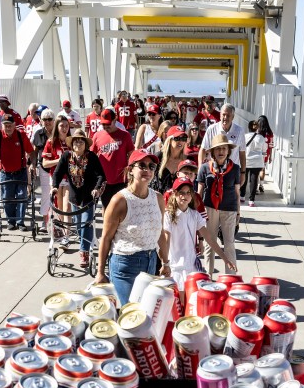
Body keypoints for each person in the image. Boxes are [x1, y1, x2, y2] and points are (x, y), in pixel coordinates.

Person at [95, 150, 170, 304]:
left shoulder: (158, 198)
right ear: (130, 170)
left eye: (151, 166)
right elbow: (106, 238)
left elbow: (160, 233)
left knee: (145, 315)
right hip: (125, 264)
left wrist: (165, 262)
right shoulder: (119, 200)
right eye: (142, 165)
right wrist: (100, 272)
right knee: (129, 316)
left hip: (151, 262)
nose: (147, 170)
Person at [163, 178, 234, 287]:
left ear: (192, 195)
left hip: (191, 265)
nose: (184, 196)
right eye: (181, 193)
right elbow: (166, 241)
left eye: (188, 193)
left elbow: (210, 239)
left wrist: (225, 259)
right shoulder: (168, 215)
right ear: (174, 193)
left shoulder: (195, 215)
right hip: (174, 266)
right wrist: (165, 263)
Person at [53, 129, 105, 269]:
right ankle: (84, 246)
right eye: (75, 141)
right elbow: (57, 173)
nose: (78, 143)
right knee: (78, 226)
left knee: (86, 224)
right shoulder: (66, 156)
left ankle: (84, 252)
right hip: (74, 198)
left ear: (85, 144)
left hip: (89, 197)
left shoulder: (92, 157)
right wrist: (55, 186)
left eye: (81, 141)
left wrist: (96, 188)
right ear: (72, 144)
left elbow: (101, 175)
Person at [197, 134, 242, 275]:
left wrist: (239, 212)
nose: (221, 151)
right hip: (210, 208)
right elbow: (199, 191)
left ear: (228, 151)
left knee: (229, 243)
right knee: (210, 243)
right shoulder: (204, 168)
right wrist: (198, 212)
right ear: (212, 152)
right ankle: (208, 277)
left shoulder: (235, 168)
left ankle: (231, 277)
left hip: (229, 209)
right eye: (218, 149)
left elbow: (237, 192)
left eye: (224, 148)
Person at [0, 116, 34, 231]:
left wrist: (32, 164)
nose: (8, 128)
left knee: (22, 197)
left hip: (20, 171)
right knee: (6, 198)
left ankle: (20, 222)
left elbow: (31, 152)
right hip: (5, 173)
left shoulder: (21, 135)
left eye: (10, 125)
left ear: (14, 125)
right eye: (5, 125)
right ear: (2, 125)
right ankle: (11, 221)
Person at [91, 109, 135, 206]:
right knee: (106, 207)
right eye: (103, 124)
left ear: (115, 120)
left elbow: (131, 155)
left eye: (108, 124)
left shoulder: (125, 135)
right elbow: (91, 156)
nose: (106, 127)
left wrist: (130, 171)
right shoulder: (97, 136)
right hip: (104, 180)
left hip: (121, 180)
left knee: (120, 208)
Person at [199, 104, 246, 187]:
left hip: (232, 172)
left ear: (233, 117)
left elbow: (242, 153)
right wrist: (200, 169)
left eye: (228, 115)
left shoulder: (239, 131)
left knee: (231, 197)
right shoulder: (211, 129)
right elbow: (202, 150)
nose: (225, 118)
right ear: (220, 115)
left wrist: (243, 173)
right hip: (214, 171)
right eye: (223, 115)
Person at [30, 108, 57, 234]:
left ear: (54, 120)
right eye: (45, 119)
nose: (47, 122)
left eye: (49, 119)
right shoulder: (38, 133)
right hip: (44, 167)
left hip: (58, 169)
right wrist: (33, 164)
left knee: (58, 196)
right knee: (46, 194)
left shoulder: (59, 133)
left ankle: (58, 222)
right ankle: (44, 222)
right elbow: (34, 151)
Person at [152, 125, 187, 194]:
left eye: (183, 138)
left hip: (179, 200)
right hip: (159, 199)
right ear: (169, 140)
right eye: (177, 138)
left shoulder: (186, 160)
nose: (180, 142)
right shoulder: (158, 157)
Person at [240, 120, 267, 206]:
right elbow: (264, 151)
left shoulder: (244, 136)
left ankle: (242, 196)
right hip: (257, 161)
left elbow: (241, 148)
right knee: (254, 180)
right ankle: (251, 200)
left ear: (248, 127)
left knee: (244, 177)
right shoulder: (262, 138)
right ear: (257, 128)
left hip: (246, 160)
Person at [256, 115, 274, 195]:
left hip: (256, 154)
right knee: (262, 169)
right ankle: (262, 185)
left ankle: (255, 187)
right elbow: (271, 145)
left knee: (256, 171)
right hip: (265, 154)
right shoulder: (270, 133)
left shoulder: (257, 132)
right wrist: (270, 156)